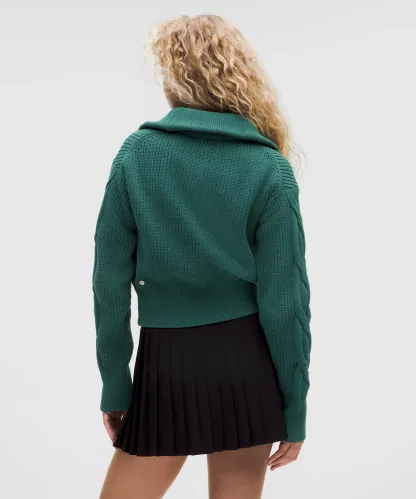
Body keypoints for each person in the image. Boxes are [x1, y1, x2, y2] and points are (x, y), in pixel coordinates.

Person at [93, 14, 312, 499]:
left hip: (166, 363)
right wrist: (294, 408)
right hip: (247, 366)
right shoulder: (269, 168)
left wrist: (115, 385)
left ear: (174, 78)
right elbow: (285, 303)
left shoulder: (137, 155)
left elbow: (108, 285)